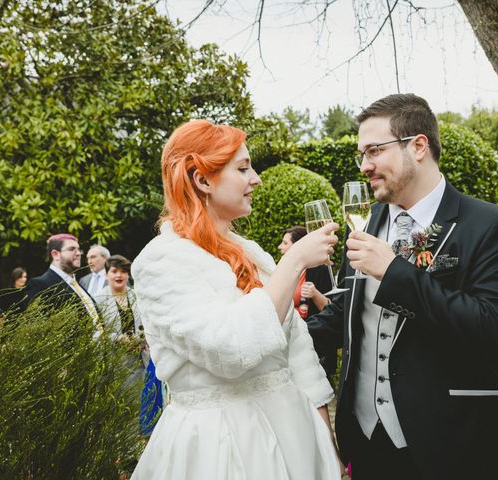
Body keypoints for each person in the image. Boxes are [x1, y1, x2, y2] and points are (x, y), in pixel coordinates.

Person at [307, 93, 498, 479]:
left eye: (374, 150)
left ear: (419, 145)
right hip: (366, 440)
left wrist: (394, 273)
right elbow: (350, 310)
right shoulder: (367, 221)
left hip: (454, 441)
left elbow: (491, 330)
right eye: (361, 154)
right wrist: (281, 338)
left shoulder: (491, 226)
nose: (364, 166)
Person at [130, 119, 342, 479]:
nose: (256, 178)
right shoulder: (161, 261)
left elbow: (299, 356)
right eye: (243, 168)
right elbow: (230, 351)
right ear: (202, 179)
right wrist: (294, 262)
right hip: (222, 445)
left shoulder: (252, 252)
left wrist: (327, 446)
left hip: (297, 437)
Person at [94, 255, 161, 437]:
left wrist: (143, 338)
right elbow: (96, 333)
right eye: (114, 271)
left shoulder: (134, 294)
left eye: (123, 271)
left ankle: (136, 446)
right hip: (116, 361)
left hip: (140, 359)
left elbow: (148, 322)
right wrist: (118, 339)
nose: (119, 275)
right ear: (107, 274)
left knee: (139, 403)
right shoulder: (99, 299)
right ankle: (123, 450)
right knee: (120, 406)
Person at [278, 226, 337, 382]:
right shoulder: (285, 269)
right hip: (290, 342)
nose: (280, 247)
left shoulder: (320, 270)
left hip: (314, 345)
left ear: (297, 246)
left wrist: (315, 293)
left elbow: (332, 310)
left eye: (284, 243)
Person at [20, 234, 100, 327]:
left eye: (78, 249)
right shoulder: (40, 285)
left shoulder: (76, 285)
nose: (78, 253)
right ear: (55, 254)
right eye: (71, 249)